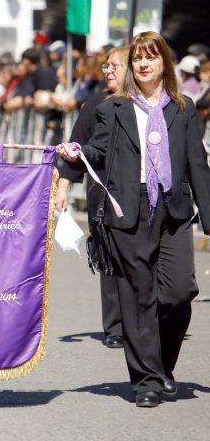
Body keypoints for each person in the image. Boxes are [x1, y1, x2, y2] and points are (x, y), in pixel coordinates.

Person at [58, 31, 210, 408]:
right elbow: (99, 148)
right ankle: (145, 380)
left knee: (179, 291)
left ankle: (160, 365)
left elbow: (197, 164)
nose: (144, 64)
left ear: (164, 64)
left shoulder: (183, 107)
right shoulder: (114, 108)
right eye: (138, 58)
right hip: (129, 207)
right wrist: (77, 155)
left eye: (151, 57)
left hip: (173, 208)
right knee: (137, 295)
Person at [56, 46, 129, 350]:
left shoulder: (152, 105)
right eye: (106, 67)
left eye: (115, 66)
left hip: (141, 192)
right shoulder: (95, 104)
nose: (108, 71)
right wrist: (63, 187)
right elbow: (76, 148)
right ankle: (115, 326)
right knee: (109, 257)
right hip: (103, 193)